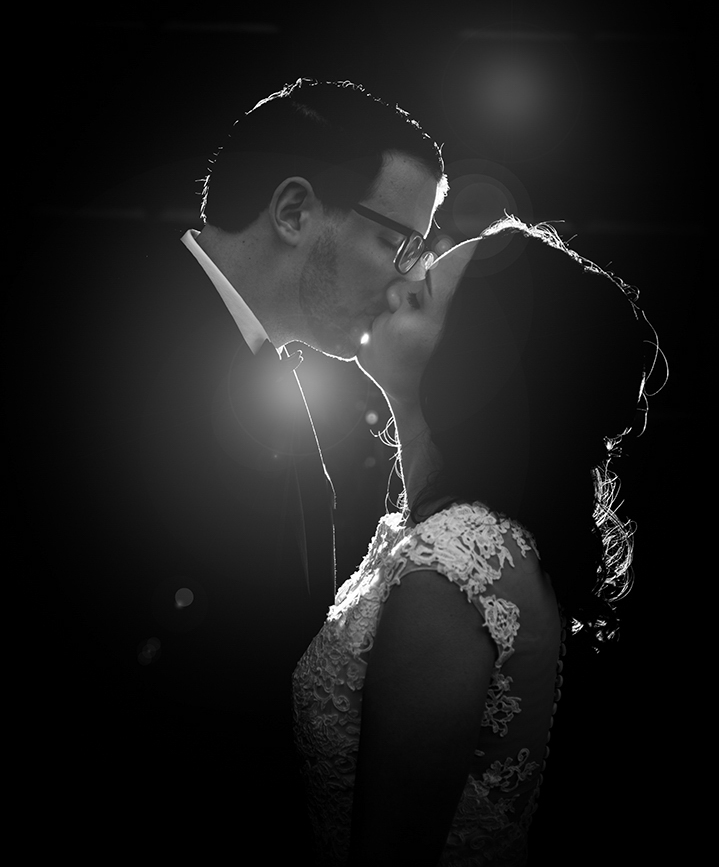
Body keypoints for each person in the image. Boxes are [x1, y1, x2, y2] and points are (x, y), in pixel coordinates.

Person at [32, 78, 448, 855]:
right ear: (293, 211)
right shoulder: (110, 348)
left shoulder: (261, 369)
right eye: (397, 243)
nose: (402, 280)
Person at [292, 216, 652, 866]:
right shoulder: (443, 536)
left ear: (475, 366)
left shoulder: (455, 568)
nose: (395, 284)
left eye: (422, 292)